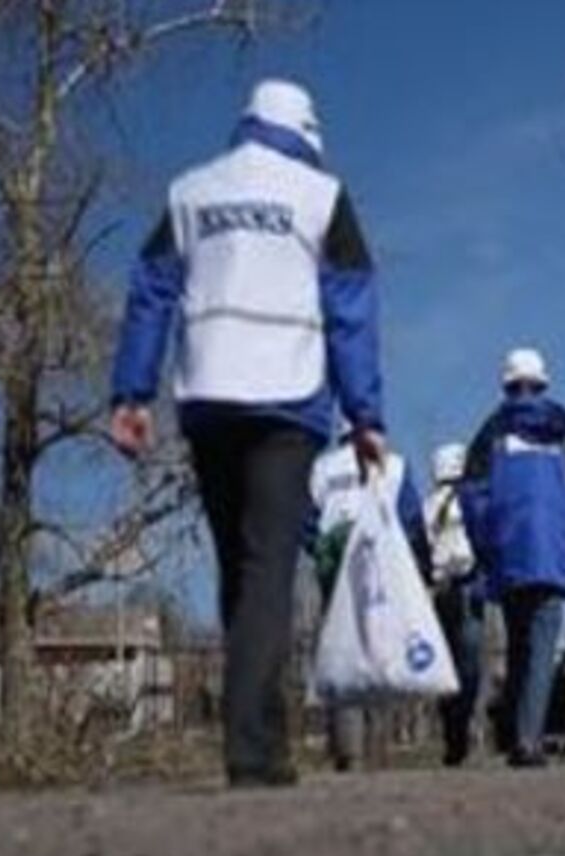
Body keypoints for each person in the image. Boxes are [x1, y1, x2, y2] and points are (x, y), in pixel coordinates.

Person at [108, 78, 387, 787]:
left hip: (207, 395)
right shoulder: (322, 197)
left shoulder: (190, 192)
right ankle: (252, 746)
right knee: (268, 568)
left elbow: (150, 289)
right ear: (307, 132)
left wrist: (132, 392)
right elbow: (350, 306)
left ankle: (262, 740)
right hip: (287, 399)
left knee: (239, 565)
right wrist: (367, 415)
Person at [460, 348, 565, 768]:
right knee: (541, 648)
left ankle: (519, 735)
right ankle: (528, 740)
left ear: (507, 386)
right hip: (556, 553)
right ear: (543, 384)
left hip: (508, 553)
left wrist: (487, 547)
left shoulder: (489, 434)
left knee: (520, 644)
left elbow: (472, 499)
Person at [305, 431, 430, 771]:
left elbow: (305, 521)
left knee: (343, 651)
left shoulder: (322, 469)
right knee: (380, 651)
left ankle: (349, 749)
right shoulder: (396, 466)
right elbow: (412, 520)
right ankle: (377, 747)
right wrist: (417, 567)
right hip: (382, 570)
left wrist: (322, 551)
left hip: (337, 573)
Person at [424, 443, 485, 766]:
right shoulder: (473, 500)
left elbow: (421, 548)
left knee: (447, 665)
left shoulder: (428, 506)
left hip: (442, 589)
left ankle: (454, 731)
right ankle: (460, 724)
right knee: (469, 664)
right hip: (467, 585)